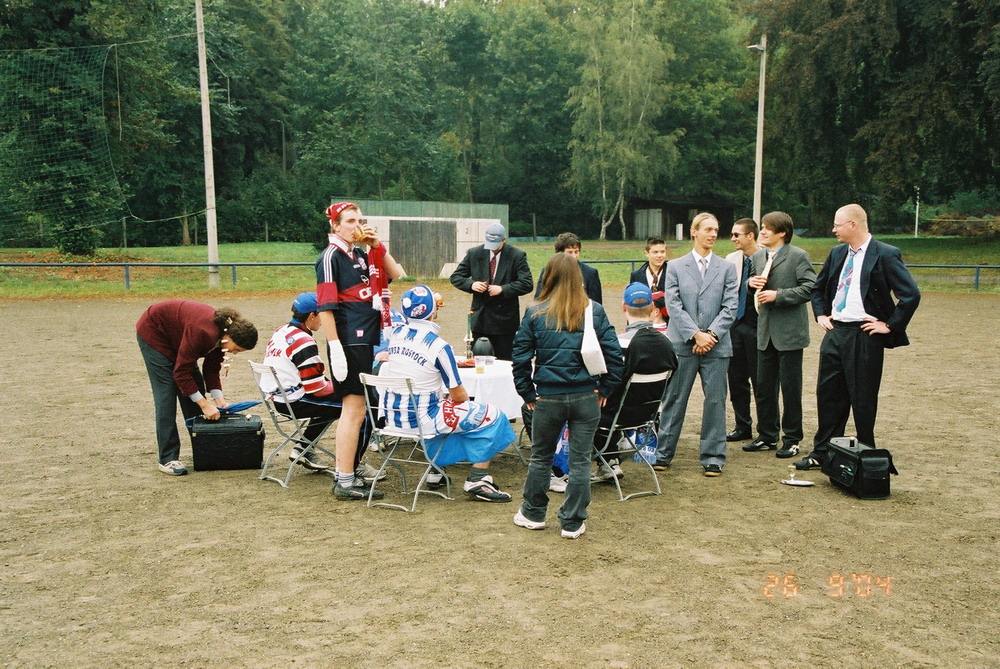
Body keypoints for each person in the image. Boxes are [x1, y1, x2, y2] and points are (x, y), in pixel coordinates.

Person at [795, 203, 920, 470]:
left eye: (837, 225)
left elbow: (911, 295)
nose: (833, 230)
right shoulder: (837, 253)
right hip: (835, 332)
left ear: (853, 224)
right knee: (828, 395)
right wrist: (821, 314)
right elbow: (818, 289)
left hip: (864, 335)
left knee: (862, 397)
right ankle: (822, 452)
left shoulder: (885, 254)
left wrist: (890, 325)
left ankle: (866, 455)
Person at [511, 254, 624, 539]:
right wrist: (606, 388)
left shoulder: (535, 312)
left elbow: (520, 357)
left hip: (548, 397)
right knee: (581, 461)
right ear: (578, 277)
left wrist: (527, 392)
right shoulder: (594, 311)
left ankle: (533, 513)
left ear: (547, 277)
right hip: (586, 396)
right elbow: (615, 356)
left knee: (540, 457)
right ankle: (572, 522)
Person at [380, 284, 516, 502]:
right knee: (493, 415)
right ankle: (477, 479)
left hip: (393, 417)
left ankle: (436, 470)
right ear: (432, 311)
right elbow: (460, 396)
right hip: (424, 420)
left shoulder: (394, 336)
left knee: (447, 408)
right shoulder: (438, 346)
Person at [317, 201, 405, 501]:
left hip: (365, 340)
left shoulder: (359, 253)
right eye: (350, 221)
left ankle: (348, 472)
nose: (357, 226)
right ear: (335, 225)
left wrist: (378, 246)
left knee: (358, 411)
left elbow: (396, 273)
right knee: (353, 410)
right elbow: (325, 307)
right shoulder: (330, 256)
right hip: (349, 341)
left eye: (359, 220)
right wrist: (335, 347)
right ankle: (344, 479)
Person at [653, 213, 738, 477]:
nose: (713, 234)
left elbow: (731, 306)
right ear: (694, 231)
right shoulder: (676, 267)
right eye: (708, 229)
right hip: (683, 345)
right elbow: (673, 304)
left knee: (715, 402)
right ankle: (663, 452)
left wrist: (710, 334)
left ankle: (713, 456)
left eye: (716, 230)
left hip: (717, 347)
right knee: (674, 399)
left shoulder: (727, 268)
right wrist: (695, 335)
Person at [136, 300, 258, 476]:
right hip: (155, 332)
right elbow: (181, 373)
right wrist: (205, 405)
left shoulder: (223, 334)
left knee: (196, 388)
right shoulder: (203, 332)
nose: (235, 353)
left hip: (179, 337)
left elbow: (211, 368)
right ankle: (168, 458)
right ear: (228, 337)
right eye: (237, 349)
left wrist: (218, 400)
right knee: (166, 395)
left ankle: (204, 448)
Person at [742, 212, 817, 459]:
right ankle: (767, 435)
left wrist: (779, 295)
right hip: (764, 332)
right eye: (762, 227)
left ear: (782, 232)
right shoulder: (757, 256)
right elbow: (751, 285)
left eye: (767, 228)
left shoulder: (798, 256)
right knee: (764, 387)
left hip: (790, 334)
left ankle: (792, 439)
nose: (762, 232)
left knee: (791, 389)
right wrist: (750, 284)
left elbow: (810, 288)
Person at [591, 282, 678, 484]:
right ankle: (610, 461)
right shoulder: (668, 344)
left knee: (586, 402)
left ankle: (569, 467)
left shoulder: (619, 343)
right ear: (653, 309)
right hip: (647, 415)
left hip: (614, 416)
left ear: (624, 307)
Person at [450, 222, 533, 361]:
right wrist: (471, 285)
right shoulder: (474, 253)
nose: (492, 248)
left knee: (504, 362)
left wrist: (503, 289)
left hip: (505, 323)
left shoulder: (517, 255)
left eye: (496, 244)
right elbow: (456, 277)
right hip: (480, 320)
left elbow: (527, 283)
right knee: (478, 362)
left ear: (504, 240)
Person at [724, 218, 760, 443]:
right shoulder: (731, 259)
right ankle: (742, 425)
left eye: (736, 235)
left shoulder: (767, 257)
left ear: (750, 235)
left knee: (761, 380)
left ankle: (767, 430)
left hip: (758, 325)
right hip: (735, 326)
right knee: (736, 379)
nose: (732, 239)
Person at [534, 232, 603, 304]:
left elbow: (596, 305)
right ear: (560, 253)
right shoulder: (548, 271)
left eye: (576, 252)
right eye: (570, 252)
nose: (574, 256)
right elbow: (539, 300)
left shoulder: (590, 273)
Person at [630, 236, 670, 325]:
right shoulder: (636, 275)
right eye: (655, 252)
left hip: (669, 326)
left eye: (662, 252)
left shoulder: (673, 273)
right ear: (647, 253)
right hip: (643, 325)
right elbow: (632, 305)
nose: (660, 255)